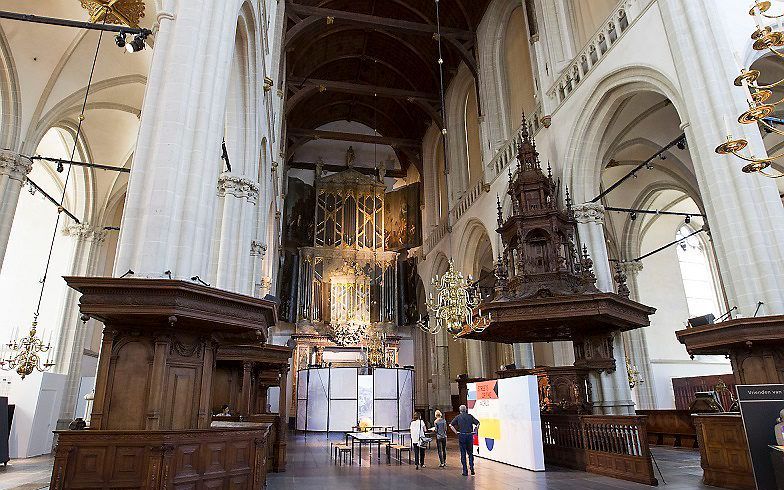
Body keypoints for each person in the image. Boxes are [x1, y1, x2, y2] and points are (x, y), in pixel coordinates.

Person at [450, 405, 480, 476]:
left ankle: (465, 471)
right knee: (470, 453)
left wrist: (456, 432)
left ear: (460, 410)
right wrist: (475, 431)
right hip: (469, 435)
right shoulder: (470, 416)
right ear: (466, 409)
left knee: (463, 454)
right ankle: (472, 468)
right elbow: (478, 423)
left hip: (462, 435)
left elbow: (451, 425)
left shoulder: (458, 417)